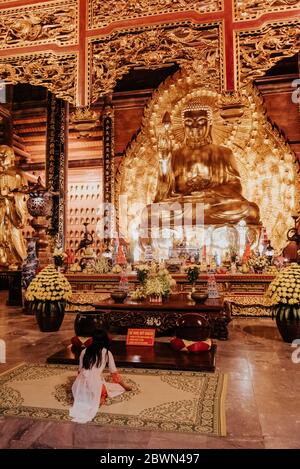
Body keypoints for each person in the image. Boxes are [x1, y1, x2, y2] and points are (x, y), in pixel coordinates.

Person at [141, 100, 260, 232]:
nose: (195, 127)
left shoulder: (224, 153)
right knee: (149, 213)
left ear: (209, 123)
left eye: (201, 121)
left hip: (213, 204)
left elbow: (236, 187)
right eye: (189, 123)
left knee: (249, 210)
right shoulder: (175, 155)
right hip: (184, 205)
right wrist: (163, 161)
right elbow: (162, 195)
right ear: (183, 126)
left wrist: (209, 193)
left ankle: (199, 220)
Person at [69, 329, 132, 424]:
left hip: (79, 384)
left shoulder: (84, 351)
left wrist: (80, 385)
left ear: (93, 339)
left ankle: (85, 395)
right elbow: (114, 373)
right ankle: (100, 397)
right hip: (94, 384)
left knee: (86, 392)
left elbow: (80, 371)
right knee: (105, 389)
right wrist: (125, 386)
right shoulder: (107, 353)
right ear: (105, 340)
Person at [0, 145, 27, 267]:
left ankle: (16, 260)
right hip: (0, 212)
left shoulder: (17, 175)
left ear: (11, 157)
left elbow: (23, 195)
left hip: (11, 212)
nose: (1, 159)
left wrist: (11, 196)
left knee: (13, 236)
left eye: (3, 156)